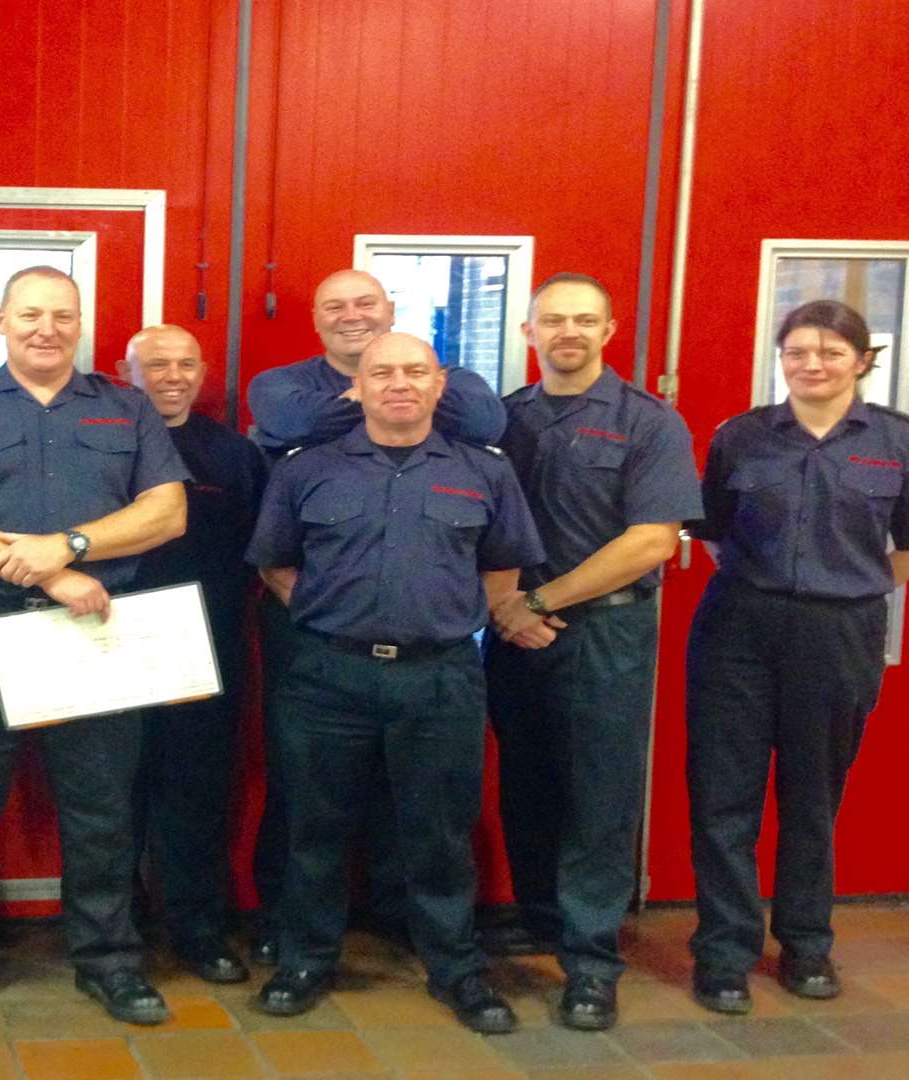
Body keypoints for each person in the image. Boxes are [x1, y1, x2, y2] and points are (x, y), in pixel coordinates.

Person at [0, 266, 190, 1031]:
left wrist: (72, 546)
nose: (46, 329)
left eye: (61, 314)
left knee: (100, 807)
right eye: (30, 314)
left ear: (81, 320)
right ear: (1, 321)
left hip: (95, 630)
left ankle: (110, 960)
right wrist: (47, 574)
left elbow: (165, 512)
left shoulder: (125, 409)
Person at [248, 332, 543, 1035]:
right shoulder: (305, 469)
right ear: (360, 386)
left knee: (440, 833)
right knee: (314, 829)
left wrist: (437, 619)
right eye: (383, 372)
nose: (399, 383)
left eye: (415, 371)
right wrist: (336, 621)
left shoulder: (484, 472)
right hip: (326, 675)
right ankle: (305, 961)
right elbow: (274, 565)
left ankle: (456, 970)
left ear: (441, 385)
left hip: (438, 678)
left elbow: (503, 569)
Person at [480, 273, 702, 1030]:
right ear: (529, 332)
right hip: (514, 631)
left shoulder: (649, 422)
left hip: (603, 633)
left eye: (584, 320)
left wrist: (539, 602)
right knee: (528, 781)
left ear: (609, 331)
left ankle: (591, 961)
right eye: (552, 320)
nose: (567, 332)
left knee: (599, 796)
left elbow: (649, 542)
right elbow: (474, 520)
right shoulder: (504, 420)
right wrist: (506, 611)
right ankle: (541, 916)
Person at [684, 299, 908, 1014]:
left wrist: (848, 585)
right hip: (738, 632)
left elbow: (903, 550)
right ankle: (723, 952)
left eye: (830, 352)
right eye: (798, 351)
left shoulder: (897, 443)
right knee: (725, 796)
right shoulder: (741, 437)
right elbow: (713, 530)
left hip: (840, 633)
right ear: (781, 358)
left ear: (862, 360)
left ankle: (807, 944)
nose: (812, 364)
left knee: (813, 798)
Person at [118, 324, 264, 984]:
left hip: (204, 649)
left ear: (203, 373)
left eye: (185, 364)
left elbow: (266, 551)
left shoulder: (234, 455)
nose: (172, 376)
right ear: (128, 371)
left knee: (196, 793)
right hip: (104, 643)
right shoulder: (102, 438)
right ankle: (112, 933)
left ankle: (198, 930)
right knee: (109, 793)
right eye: (156, 364)